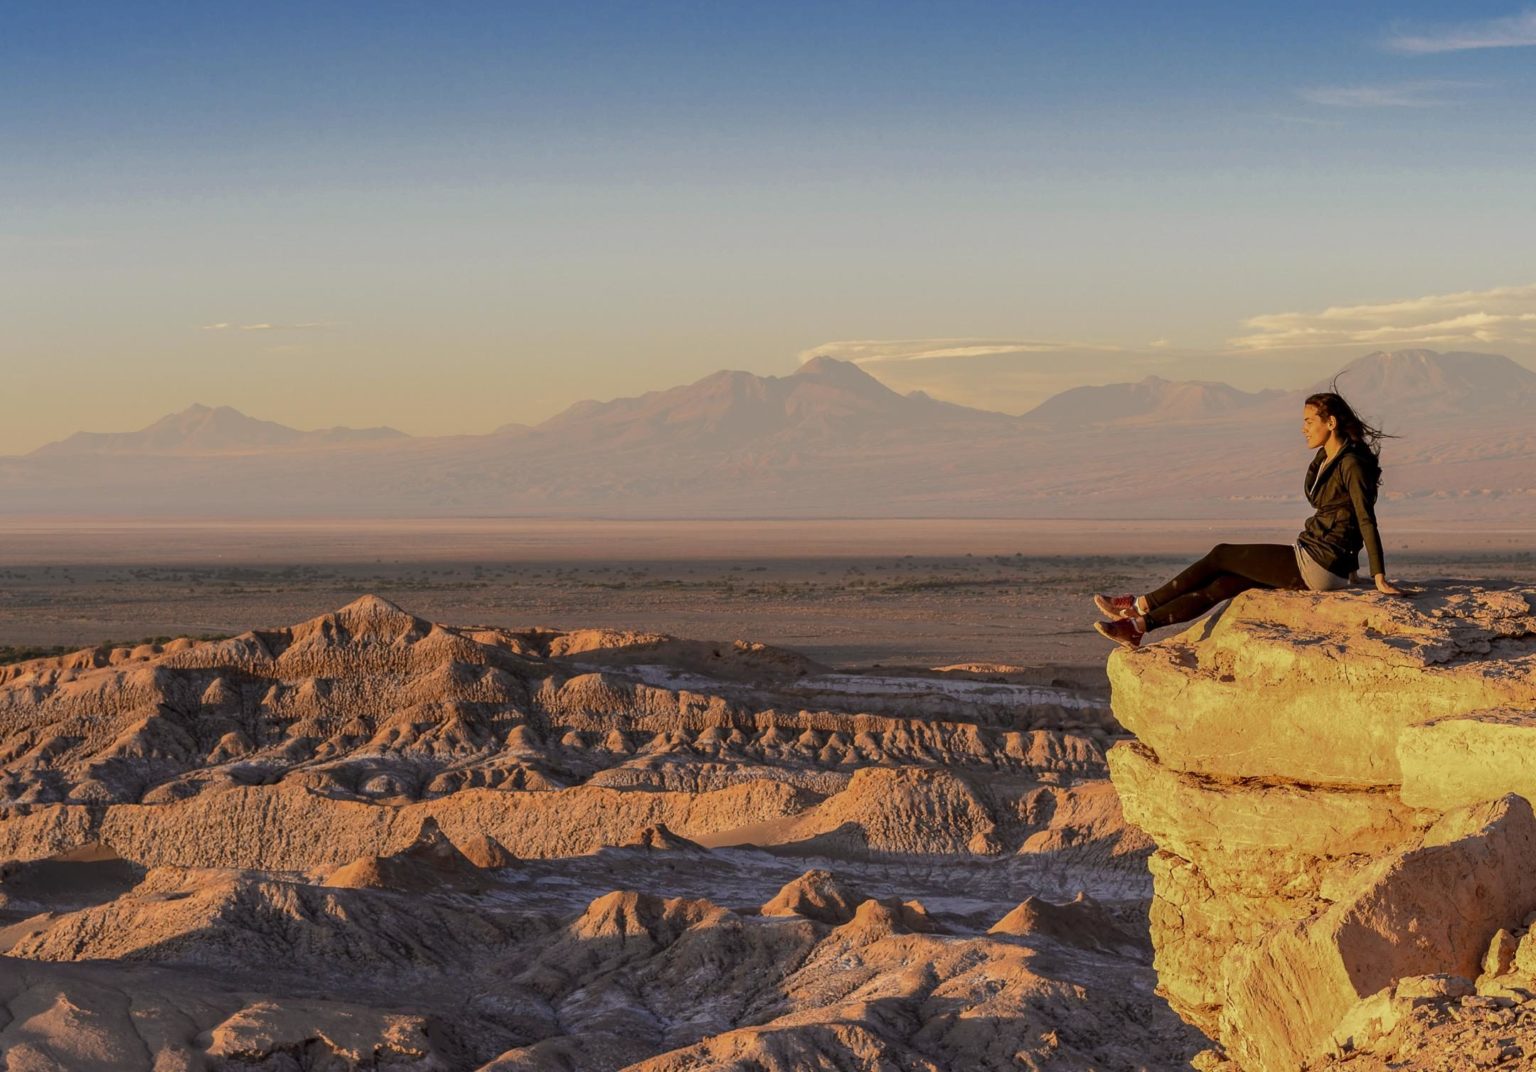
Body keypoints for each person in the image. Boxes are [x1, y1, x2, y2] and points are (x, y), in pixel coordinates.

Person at [1094, 390, 1404, 648]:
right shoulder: (1328, 458)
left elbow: (1365, 519)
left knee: (1222, 554)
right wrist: (1350, 572)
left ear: (1331, 422)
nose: (1303, 428)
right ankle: (1137, 627)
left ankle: (1140, 604)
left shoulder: (1351, 464)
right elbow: (1343, 518)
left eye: (1309, 421)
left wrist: (1378, 576)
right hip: (1319, 559)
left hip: (1317, 563)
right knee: (1224, 585)